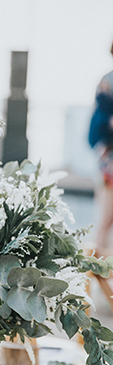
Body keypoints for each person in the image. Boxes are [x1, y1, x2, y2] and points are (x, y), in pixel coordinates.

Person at [89, 42, 113, 252]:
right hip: (111, 166)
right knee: (105, 221)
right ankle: (99, 279)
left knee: (105, 223)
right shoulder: (108, 81)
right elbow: (96, 131)